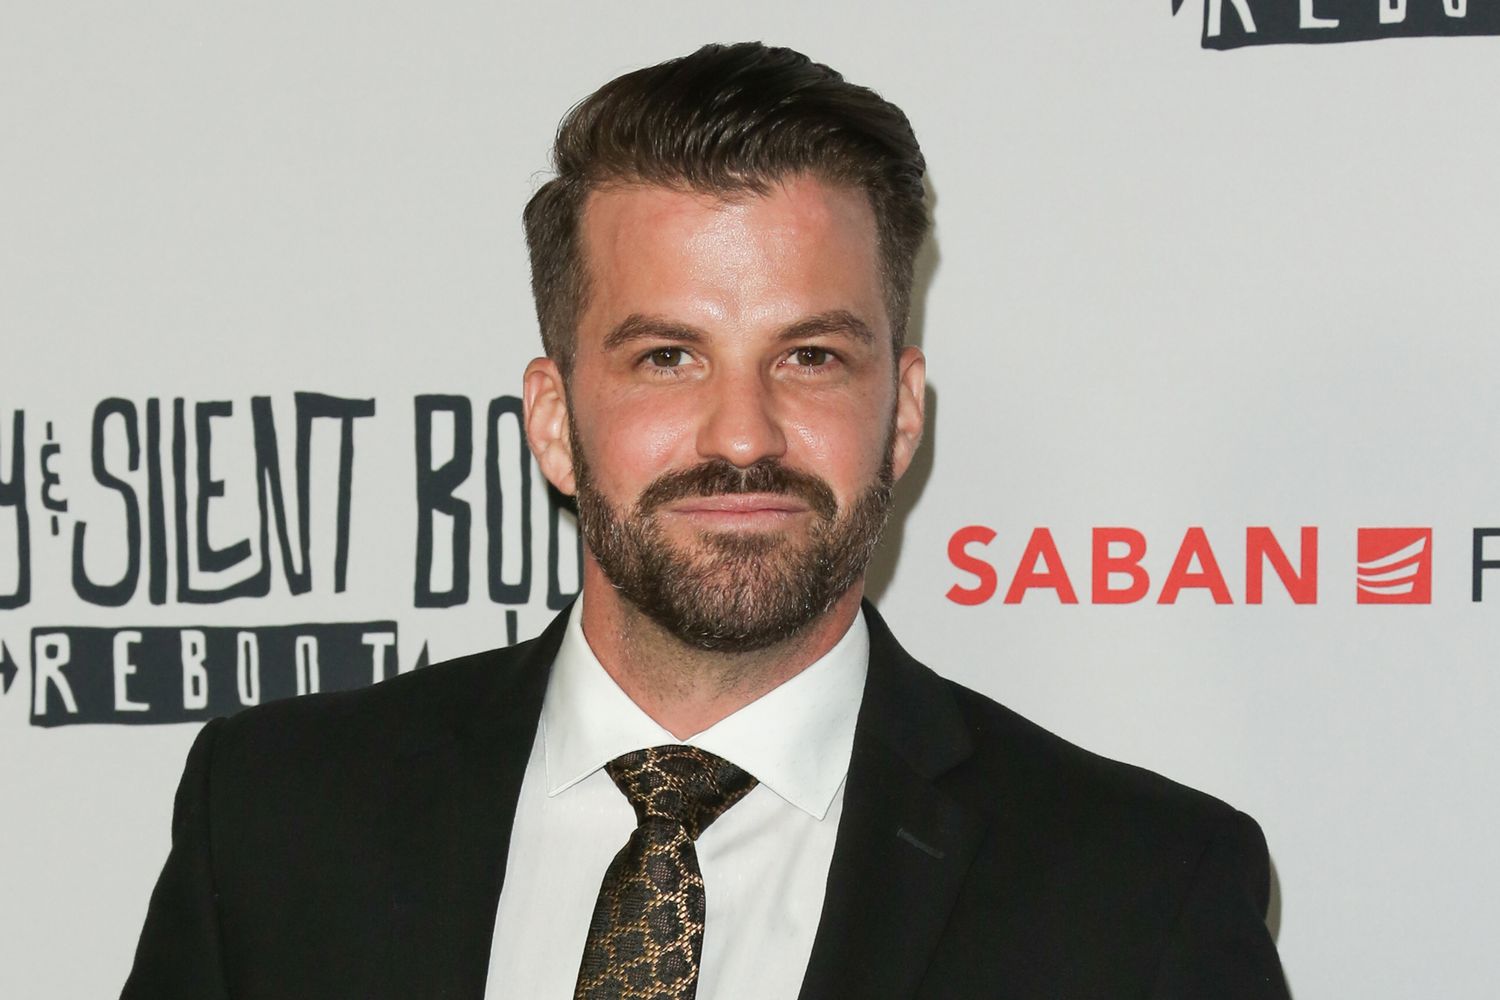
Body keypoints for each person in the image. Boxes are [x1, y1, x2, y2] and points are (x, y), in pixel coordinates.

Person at [122, 42, 1290, 1000]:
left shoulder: (1141, 894)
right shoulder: (274, 823)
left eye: (811, 355)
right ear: (552, 420)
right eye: (668, 357)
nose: (742, 435)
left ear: (901, 415)